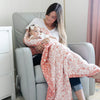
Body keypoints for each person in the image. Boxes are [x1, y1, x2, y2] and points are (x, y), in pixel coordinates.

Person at [24, 3, 100, 100]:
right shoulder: (36, 22)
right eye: (49, 16)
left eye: (54, 17)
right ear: (46, 14)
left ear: (57, 19)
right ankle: (91, 71)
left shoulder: (57, 29)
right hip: (40, 56)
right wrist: (37, 45)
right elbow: (27, 39)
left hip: (56, 56)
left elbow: (62, 47)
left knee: (68, 65)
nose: (50, 19)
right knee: (67, 62)